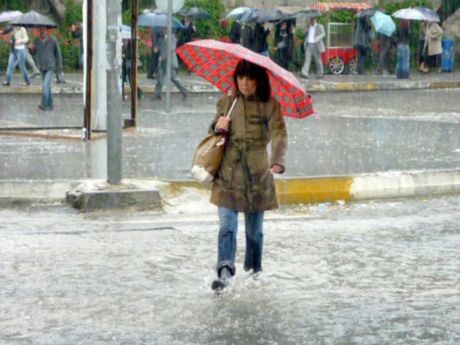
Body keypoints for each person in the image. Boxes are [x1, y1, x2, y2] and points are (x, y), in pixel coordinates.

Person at [209, 59, 288, 291]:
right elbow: (211, 130)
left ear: (259, 81)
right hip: (228, 173)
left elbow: (280, 134)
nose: (244, 83)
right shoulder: (227, 102)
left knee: (254, 232)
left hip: (257, 175)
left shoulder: (270, 105)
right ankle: (224, 274)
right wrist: (218, 125)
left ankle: (254, 272)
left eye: (249, 78)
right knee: (227, 227)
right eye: (240, 78)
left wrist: (277, 162)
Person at [30, 27, 63, 111]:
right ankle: (50, 105)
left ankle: (43, 105)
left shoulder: (52, 40)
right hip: (42, 67)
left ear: (47, 31)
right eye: (40, 31)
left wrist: (59, 67)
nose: (42, 32)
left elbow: (58, 53)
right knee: (47, 87)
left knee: (45, 85)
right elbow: (33, 53)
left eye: (44, 31)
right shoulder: (36, 41)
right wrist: (30, 48)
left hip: (50, 66)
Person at [154, 29, 188, 100]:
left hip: (169, 62)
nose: (162, 30)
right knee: (160, 79)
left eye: (164, 28)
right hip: (162, 62)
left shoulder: (172, 38)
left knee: (173, 78)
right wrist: (157, 48)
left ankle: (185, 92)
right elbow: (162, 47)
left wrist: (162, 57)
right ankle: (157, 94)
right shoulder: (162, 38)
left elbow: (171, 49)